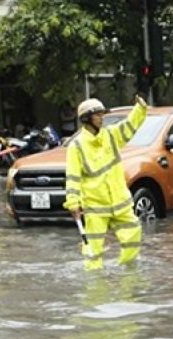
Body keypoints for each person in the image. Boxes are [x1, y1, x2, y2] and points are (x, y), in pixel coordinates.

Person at [64, 95, 147, 270]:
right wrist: (73, 203)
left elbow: (129, 127)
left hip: (120, 203)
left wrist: (139, 109)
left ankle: (127, 272)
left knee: (133, 233)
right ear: (87, 118)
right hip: (95, 206)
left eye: (102, 114)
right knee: (93, 250)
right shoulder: (77, 146)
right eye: (98, 115)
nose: (102, 118)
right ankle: (95, 287)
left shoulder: (111, 135)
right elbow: (73, 177)